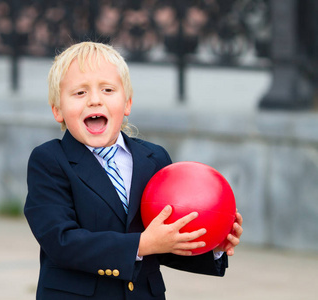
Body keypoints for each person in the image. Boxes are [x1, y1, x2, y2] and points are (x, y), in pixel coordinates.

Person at [24, 41, 243, 300]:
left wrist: (211, 245)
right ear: (58, 110)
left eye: (107, 89)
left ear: (127, 104)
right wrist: (142, 244)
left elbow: (162, 246)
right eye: (79, 93)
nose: (95, 100)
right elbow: (61, 242)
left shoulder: (153, 158)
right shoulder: (49, 161)